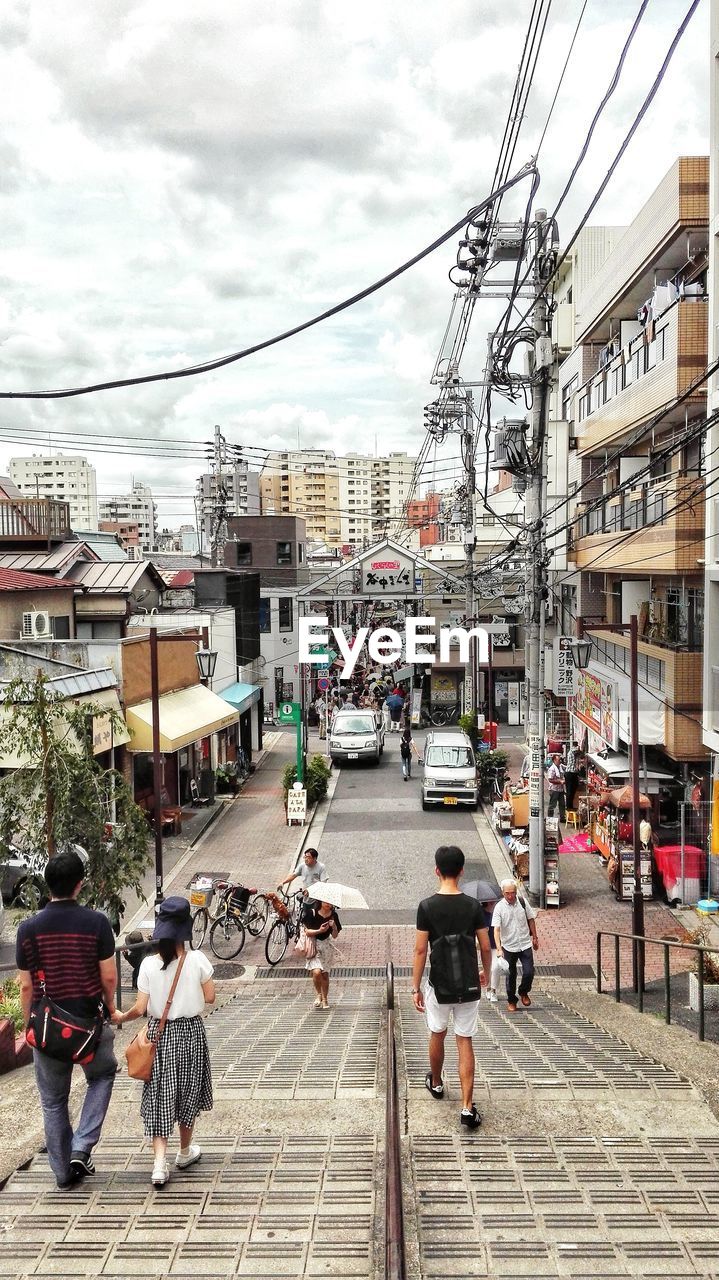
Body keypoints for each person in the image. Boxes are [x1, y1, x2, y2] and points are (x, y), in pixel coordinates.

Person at [16, 848, 119, 1190]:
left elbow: (26, 985)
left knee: (53, 1101)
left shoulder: (28, 929)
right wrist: (111, 1008)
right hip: (89, 1024)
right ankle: (82, 1146)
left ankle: (63, 1174)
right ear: (80, 885)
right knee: (103, 1074)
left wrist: (27, 1023)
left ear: (48, 886)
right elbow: (108, 977)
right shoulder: (96, 923)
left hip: (47, 1028)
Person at [114, 897, 215, 1188]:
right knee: (187, 1092)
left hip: (160, 1035)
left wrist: (122, 1016)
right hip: (192, 1034)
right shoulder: (197, 960)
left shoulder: (147, 964)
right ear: (186, 928)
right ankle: (184, 1152)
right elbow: (210, 998)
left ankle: (159, 1164)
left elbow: (141, 1008)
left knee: (160, 1094)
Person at [412, 845, 491, 1130]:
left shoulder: (427, 906)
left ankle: (435, 1082)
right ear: (461, 871)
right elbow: (485, 945)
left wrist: (415, 987)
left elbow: (421, 951)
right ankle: (468, 1107)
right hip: (468, 984)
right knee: (464, 1040)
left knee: (437, 1032)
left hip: (439, 984)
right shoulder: (472, 905)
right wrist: (486, 974)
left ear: (436, 870)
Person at [491, 879, 539, 1013]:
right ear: (503, 893)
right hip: (509, 946)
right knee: (510, 975)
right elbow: (496, 929)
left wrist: (535, 937)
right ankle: (512, 1000)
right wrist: (499, 948)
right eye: (507, 893)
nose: (511, 896)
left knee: (529, 971)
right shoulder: (499, 907)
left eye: (513, 893)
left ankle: (523, 991)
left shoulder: (522, 902)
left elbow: (531, 919)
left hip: (524, 943)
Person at [302, 896, 341, 1009]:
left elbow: (335, 935)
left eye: (331, 902)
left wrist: (333, 927)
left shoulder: (334, 916)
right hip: (313, 945)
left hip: (326, 946)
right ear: (320, 901)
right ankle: (318, 994)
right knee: (317, 972)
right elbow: (307, 931)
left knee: (325, 974)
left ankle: (325, 999)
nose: (328, 904)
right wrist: (320, 930)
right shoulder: (312, 913)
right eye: (326, 901)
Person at [546, 753, 567, 823]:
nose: (560, 761)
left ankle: (562, 817)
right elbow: (550, 779)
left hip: (560, 789)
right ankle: (550, 818)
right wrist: (559, 781)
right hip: (554, 789)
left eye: (560, 760)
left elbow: (567, 768)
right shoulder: (552, 769)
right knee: (552, 804)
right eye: (558, 760)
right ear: (554, 760)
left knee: (562, 803)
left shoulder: (560, 766)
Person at [564, 741, 581, 810]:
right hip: (570, 773)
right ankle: (568, 807)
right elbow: (579, 751)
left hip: (573, 773)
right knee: (570, 791)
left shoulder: (574, 753)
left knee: (573, 789)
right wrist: (581, 746)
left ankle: (570, 806)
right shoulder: (572, 750)